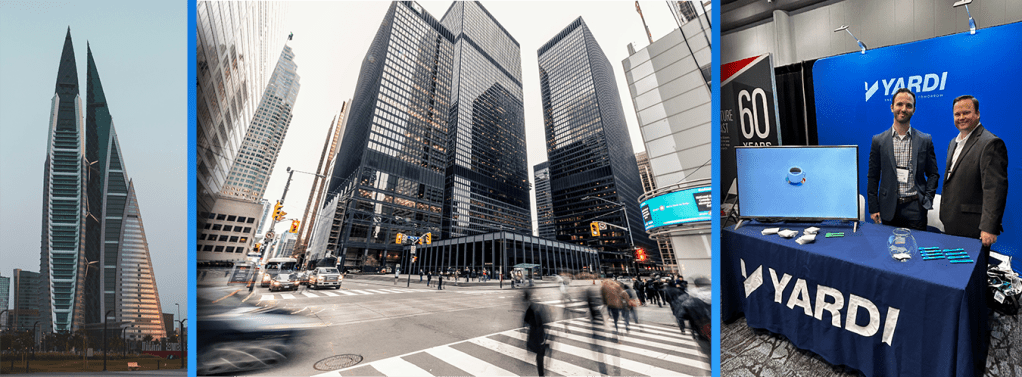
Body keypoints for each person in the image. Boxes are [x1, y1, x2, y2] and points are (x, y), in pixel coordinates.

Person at [940, 95, 1009, 251]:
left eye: (966, 113)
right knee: (954, 273)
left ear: (977, 114)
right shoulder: (953, 142)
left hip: (974, 228)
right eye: (957, 114)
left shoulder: (990, 143)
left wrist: (989, 227)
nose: (961, 117)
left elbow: (995, 189)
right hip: (952, 223)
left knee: (972, 273)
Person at [867, 88, 940, 230]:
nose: (903, 109)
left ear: (914, 110)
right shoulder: (878, 141)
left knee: (916, 249)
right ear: (892, 107)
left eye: (909, 105)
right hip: (888, 207)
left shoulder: (925, 140)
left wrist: (927, 199)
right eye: (899, 104)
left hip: (916, 207)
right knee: (891, 249)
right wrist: (873, 207)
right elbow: (873, 176)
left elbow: (933, 174)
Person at [523, 289, 549, 377]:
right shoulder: (536, 306)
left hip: (536, 334)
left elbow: (525, 321)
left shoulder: (531, 307)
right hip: (539, 334)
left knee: (540, 354)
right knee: (540, 354)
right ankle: (541, 374)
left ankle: (541, 374)